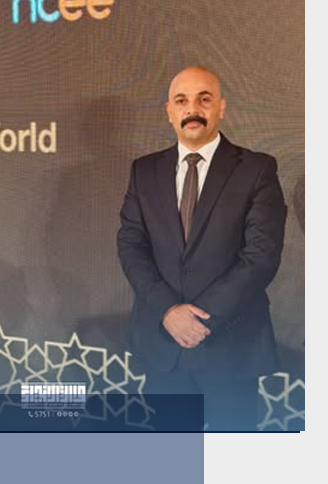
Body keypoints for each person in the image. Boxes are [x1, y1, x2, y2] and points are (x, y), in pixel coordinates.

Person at [116, 66, 287, 431]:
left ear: (221, 107)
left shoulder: (257, 169)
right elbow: (131, 245)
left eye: (203, 99)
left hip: (230, 347)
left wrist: (199, 320)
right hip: (164, 346)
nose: (192, 109)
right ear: (169, 111)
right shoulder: (144, 171)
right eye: (181, 101)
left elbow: (261, 255)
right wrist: (168, 311)